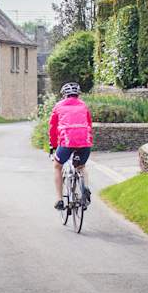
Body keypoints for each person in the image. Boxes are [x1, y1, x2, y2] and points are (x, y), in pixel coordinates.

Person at [47, 82, 93, 210]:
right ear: (78, 94)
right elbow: (89, 125)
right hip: (84, 141)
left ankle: (59, 199)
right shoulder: (84, 106)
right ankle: (85, 188)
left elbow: (52, 128)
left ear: (64, 95)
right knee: (81, 166)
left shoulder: (58, 106)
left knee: (57, 166)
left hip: (67, 141)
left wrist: (53, 145)